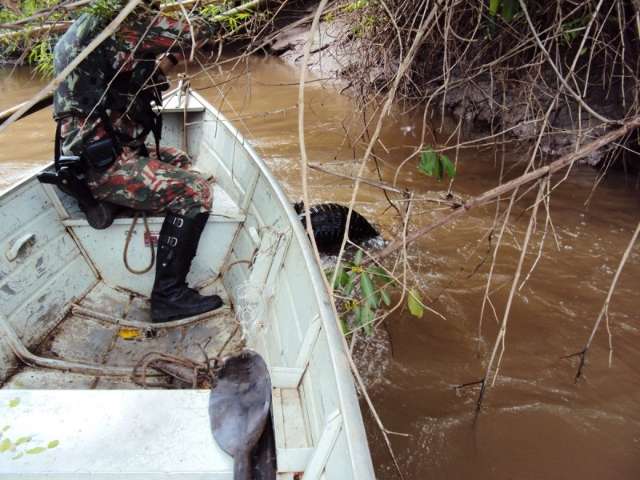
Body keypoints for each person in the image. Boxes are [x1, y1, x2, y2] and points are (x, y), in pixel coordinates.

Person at [52, 0, 222, 323]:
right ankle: (169, 295)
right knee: (195, 192)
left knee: (179, 158)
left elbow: (140, 80)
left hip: (101, 155)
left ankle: (118, 203)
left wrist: (167, 61)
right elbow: (199, 31)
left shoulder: (92, 26)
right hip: (103, 167)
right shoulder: (124, 23)